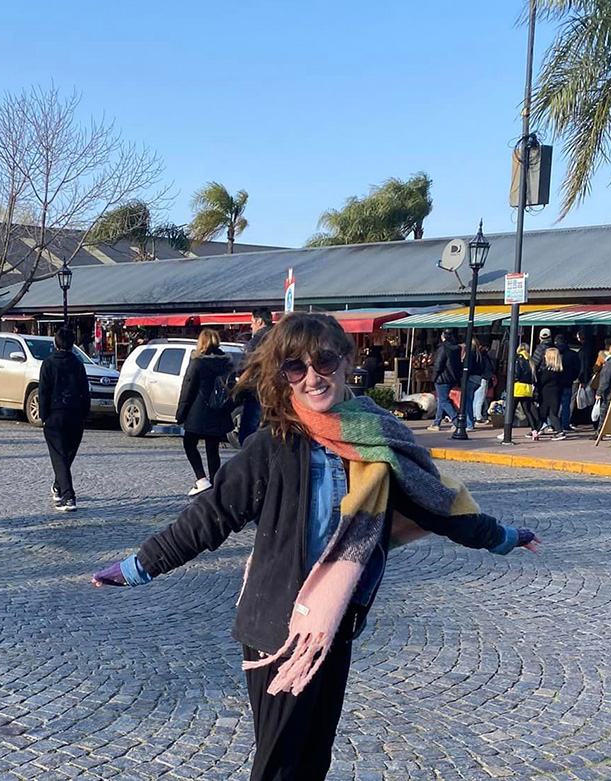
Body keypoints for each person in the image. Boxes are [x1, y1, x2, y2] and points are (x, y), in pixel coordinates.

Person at [90, 313, 539, 781]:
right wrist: (138, 566)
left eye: (323, 360)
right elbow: (208, 518)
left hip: (333, 626)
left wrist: (502, 537)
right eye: (294, 367)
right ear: (281, 376)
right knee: (279, 766)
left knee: (312, 761)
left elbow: (437, 505)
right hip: (276, 630)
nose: (311, 377)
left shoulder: (378, 444)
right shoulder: (271, 447)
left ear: (347, 361)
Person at [177, 328, 237, 495]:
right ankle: (215, 481)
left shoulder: (197, 363)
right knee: (213, 448)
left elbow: (187, 389)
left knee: (189, 443)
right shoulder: (227, 363)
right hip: (218, 412)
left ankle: (201, 479)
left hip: (198, 412)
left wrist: (180, 413)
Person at [38, 327, 90, 511]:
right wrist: (85, 413)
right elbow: (85, 390)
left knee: (60, 457)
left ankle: (68, 497)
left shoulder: (48, 363)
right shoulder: (78, 363)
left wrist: (43, 416)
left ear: (55, 343)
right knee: (66, 455)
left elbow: (43, 392)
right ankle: (58, 487)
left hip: (55, 414)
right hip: (75, 414)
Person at [237, 308, 274, 444]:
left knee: (248, 435)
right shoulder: (281, 339)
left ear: (259, 321)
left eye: (252, 322)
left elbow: (244, 368)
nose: (251, 326)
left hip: (256, 392)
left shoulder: (255, 342)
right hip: (277, 393)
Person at [428, 330, 462, 431]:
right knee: (441, 400)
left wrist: (434, 377)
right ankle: (436, 423)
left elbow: (438, 364)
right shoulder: (456, 348)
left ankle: (456, 421)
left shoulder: (443, 348)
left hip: (442, 377)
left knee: (443, 401)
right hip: (452, 377)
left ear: (444, 336)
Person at [534, 347, 567, 441]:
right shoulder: (560, 371)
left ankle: (560, 431)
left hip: (546, 395)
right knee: (548, 413)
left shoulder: (546, 372)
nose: (544, 356)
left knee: (548, 414)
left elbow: (540, 382)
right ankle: (537, 429)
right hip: (556, 394)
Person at [554, 334, 580, 432]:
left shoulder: (554, 354)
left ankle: (554, 423)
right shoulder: (572, 354)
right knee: (566, 404)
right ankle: (565, 423)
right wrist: (572, 377)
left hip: (556, 382)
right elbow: (577, 368)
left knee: (555, 404)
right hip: (568, 382)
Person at [468, 338, 493, 426]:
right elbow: (488, 368)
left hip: (472, 377)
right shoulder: (482, 356)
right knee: (480, 398)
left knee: (474, 399)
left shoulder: (472, 354)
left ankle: (475, 416)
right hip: (481, 378)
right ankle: (478, 417)